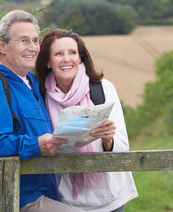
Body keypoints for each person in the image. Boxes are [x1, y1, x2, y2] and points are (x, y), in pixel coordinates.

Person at [0, 10, 85, 212]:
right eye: (24, 41)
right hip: (15, 199)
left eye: (35, 41)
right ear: (2, 45)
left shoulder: (32, 82)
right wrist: (36, 145)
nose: (32, 47)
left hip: (44, 194)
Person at [35, 29, 138, 212]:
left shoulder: (103, 89)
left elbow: (123, 147)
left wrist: (108, 140)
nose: (67, 59)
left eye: (72, 53)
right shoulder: (40, 96)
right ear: (48, 61)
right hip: (66, 200)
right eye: (59, 54)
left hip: (110, 199)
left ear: (81, 58)